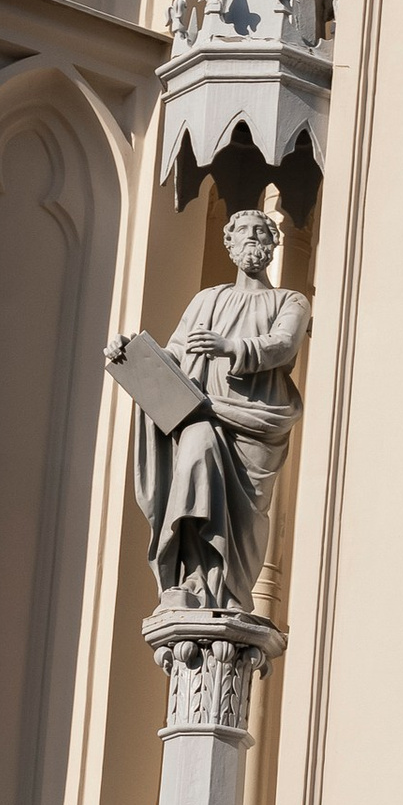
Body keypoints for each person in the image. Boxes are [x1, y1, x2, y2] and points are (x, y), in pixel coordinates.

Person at [111, 207, 310, 615]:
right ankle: (190, 581)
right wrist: (130, 355)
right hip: (202, 413)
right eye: (245, 233)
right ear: (230, 243)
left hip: (256, 421)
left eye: (263, 232)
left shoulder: (289, 300)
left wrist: (230, 348)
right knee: (194, 464)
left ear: (273, 245)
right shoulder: (207, 301)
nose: (254, 239)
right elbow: (175, 355)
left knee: (244, 519)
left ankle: (231, 591)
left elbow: (284, 344)